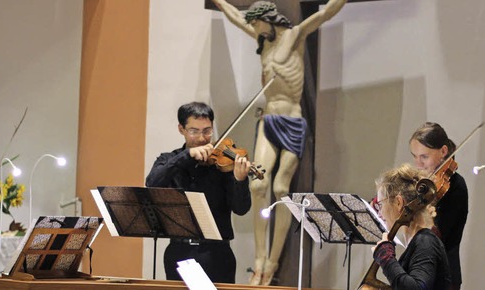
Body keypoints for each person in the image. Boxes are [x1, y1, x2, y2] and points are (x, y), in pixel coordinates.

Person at [210, 0, 346, 285]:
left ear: (269, 20)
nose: (255, 29)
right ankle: (258, 261)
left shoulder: (295, 35)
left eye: (257, 23)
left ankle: (272, 263)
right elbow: (236, 16)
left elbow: (325, 12)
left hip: (293, 121)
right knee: (259, 185)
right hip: (269, 119)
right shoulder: (263, 41)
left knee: (281, 188)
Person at [145, 102, 252, 283]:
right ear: (182, 129)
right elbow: (152, 183)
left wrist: (240, 180)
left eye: (207, 131)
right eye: (194, 131)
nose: (202, 138)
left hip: (217, 254)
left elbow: (241, 209)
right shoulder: (169, 160)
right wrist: (186, 156)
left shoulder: (223, 165)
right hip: (179, 252)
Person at [368, 164, 451, 289]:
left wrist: (385, 256)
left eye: (380, 204)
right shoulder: (419, 241)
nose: (379, 213)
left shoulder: (426, 242)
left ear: (398, 202)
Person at [409, 122, 468, 290]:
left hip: (444, 276)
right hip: (419, 271)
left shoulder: (456, 186)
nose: (418, 163)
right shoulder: (422, 185)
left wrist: (421, 214)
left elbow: (439, 237)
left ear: (443, 152)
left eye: (424, 157)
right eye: (414, 156)